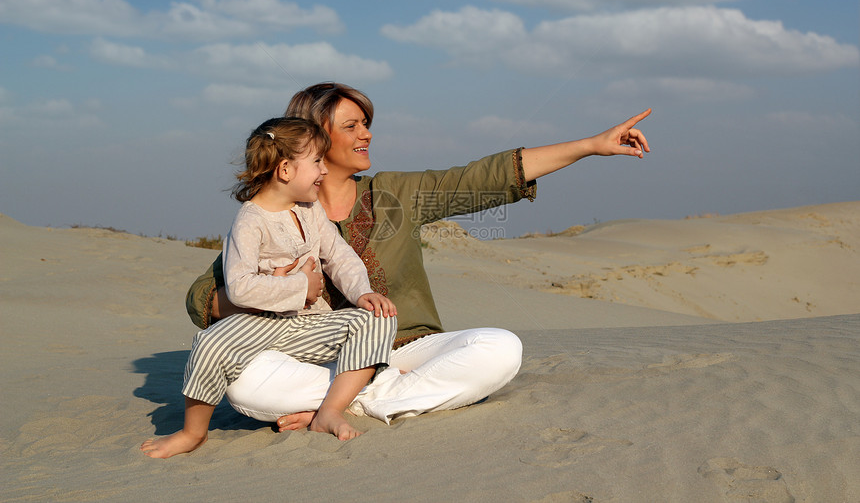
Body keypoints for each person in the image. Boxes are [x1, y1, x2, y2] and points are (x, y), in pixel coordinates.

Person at [185, 82, 651, 430]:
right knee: (243, 386)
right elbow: (203, 298)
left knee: (500, 348)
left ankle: (342, 405)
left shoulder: (396, 194)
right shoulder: (275, 213)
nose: (366, 134)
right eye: (352, 126)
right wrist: (286, 288)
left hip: (408, 352)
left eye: (366, 123)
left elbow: (479, 179)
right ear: (314, 139)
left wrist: (591, 145)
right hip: (321, 359)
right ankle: (356, 401)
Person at [141, 117, 397, 458]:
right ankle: (192, 432)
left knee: (378, 318)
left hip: (309, 323)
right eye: (317, 161)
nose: (324, 170)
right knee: (209, 343)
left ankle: (330, 411)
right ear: (286, 170)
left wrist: (360, 292)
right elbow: (240, 288)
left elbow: (338, 254)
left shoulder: (310, 210)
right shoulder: (249, 221)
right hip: (260, 322)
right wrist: (299, 285)